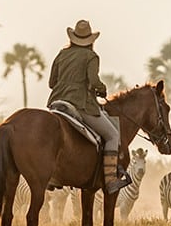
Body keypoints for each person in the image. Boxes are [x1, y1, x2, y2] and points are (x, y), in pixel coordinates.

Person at [47, 19, 129, 194]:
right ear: (90, 40)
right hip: (80, 105)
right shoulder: (91, 56)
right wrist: (101, 89)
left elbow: (51, 82)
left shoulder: (62, 54)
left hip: (57, 103)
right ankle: (110, 180)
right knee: (113, 135)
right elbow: (93, 81)